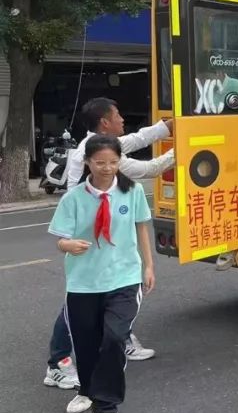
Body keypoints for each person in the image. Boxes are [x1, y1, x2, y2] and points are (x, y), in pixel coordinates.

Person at [43, 98, 173, 390]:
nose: (123, 120)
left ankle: (121, 340)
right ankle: (58, 362)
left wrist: (165, 128)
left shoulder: (103, 146)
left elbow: (137, 139)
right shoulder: (99, 154)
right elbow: (148, 168)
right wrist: (186, 148)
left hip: (109, 234)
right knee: (77, 305)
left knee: (116, 294)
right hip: (87, 238)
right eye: (118, 115)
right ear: (104, 122)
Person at [47, 135, 157, 413]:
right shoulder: (73, 199)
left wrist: (148, 265)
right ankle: (85, 390)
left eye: (113, 162)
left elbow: (141, 227)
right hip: (84, 283)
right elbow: (61, 239)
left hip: (124, 278)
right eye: (100, 163)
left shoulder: (131, 191)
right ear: (87, 163)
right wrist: (67, 246)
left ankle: (105, 407)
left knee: (114, 337)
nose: (107, 168)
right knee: (86, 344)